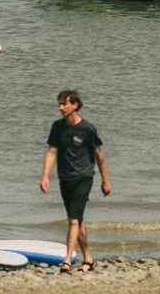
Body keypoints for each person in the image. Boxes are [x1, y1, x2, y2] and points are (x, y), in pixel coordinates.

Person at [41, 89, 111, 273]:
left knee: (73, 220)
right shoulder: (57, 127)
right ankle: (88, 257)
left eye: (65, 104)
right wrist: (45, 176)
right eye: (60, 104)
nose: (61, 107)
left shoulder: (87, 128)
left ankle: (67, 260)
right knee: (77, 221)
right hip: (65, 178)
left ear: (75, 105)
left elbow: (99, 155)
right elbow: (51, 151)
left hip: (83, 177)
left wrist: (105, 180)